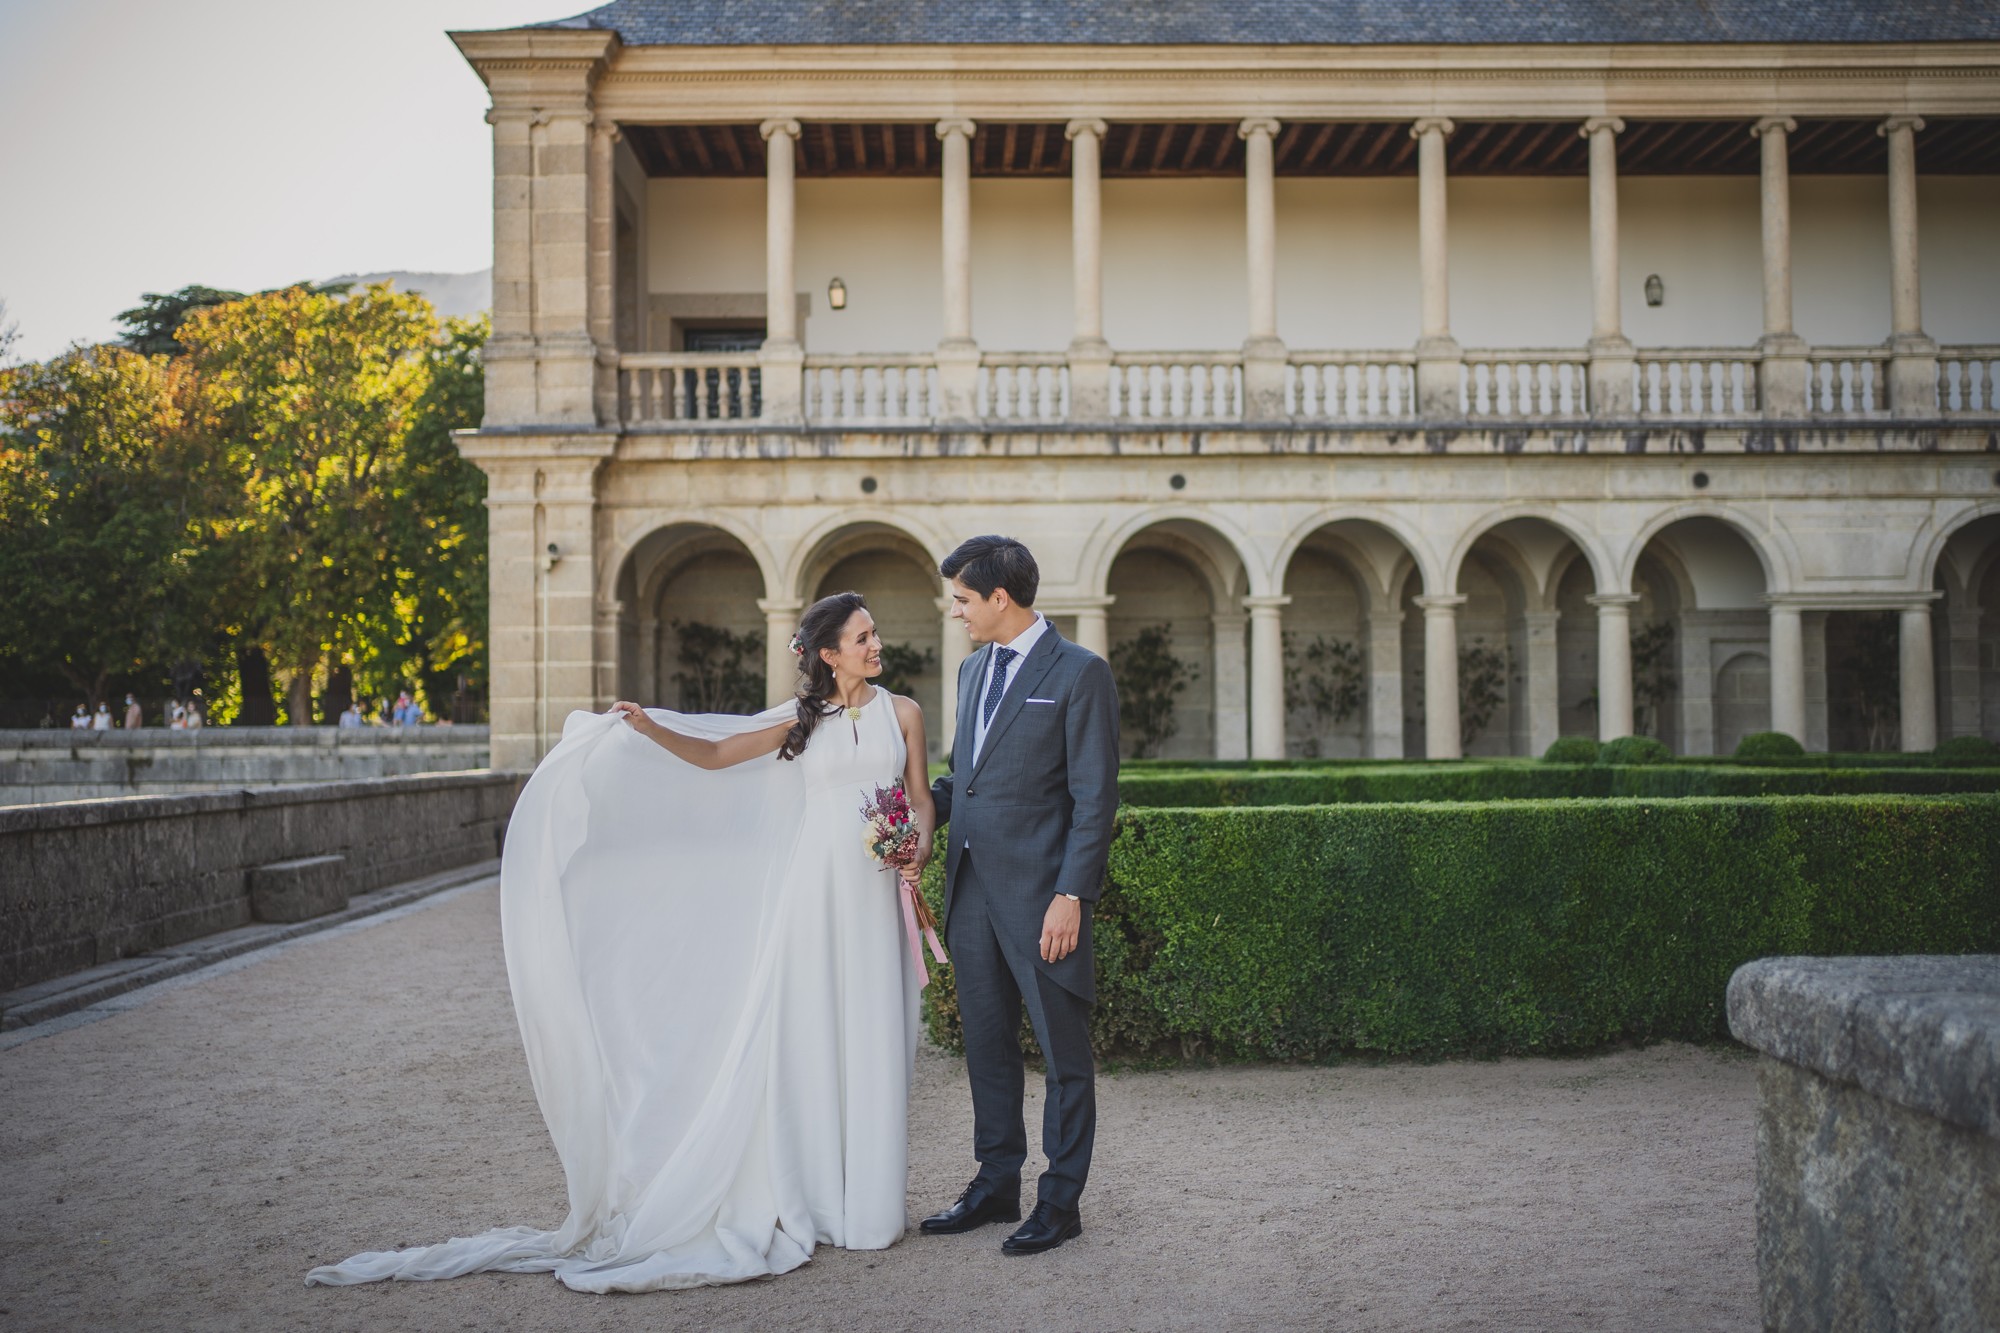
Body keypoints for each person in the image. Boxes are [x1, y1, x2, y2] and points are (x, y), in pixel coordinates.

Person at [308, 590, 934, 1293]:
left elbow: (920, 797)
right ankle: (819, 1199)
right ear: (829, 653)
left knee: (878, 1035)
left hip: (878, 892)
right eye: (863, 636)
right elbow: (721, 752)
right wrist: (647, 730)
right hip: (814, 897)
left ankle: (871, 1207)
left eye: (875, 632)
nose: (876, 644)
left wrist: (918, 846)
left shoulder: (903, 712)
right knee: (812, 1039)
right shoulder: (801, 721)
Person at [918, 535, 1118, 1255]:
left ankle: (1060, 1201)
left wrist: (1072, 893)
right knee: (988, 1047)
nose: (956, 612)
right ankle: (997, 1182)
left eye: (963, 599)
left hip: (1042, 898)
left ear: (999, 598)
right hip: (969, 892)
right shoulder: (972, 671)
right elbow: (960, 779)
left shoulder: (1079, 673)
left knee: (1065, 1058)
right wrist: (908, 817)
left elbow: (1095, 800)